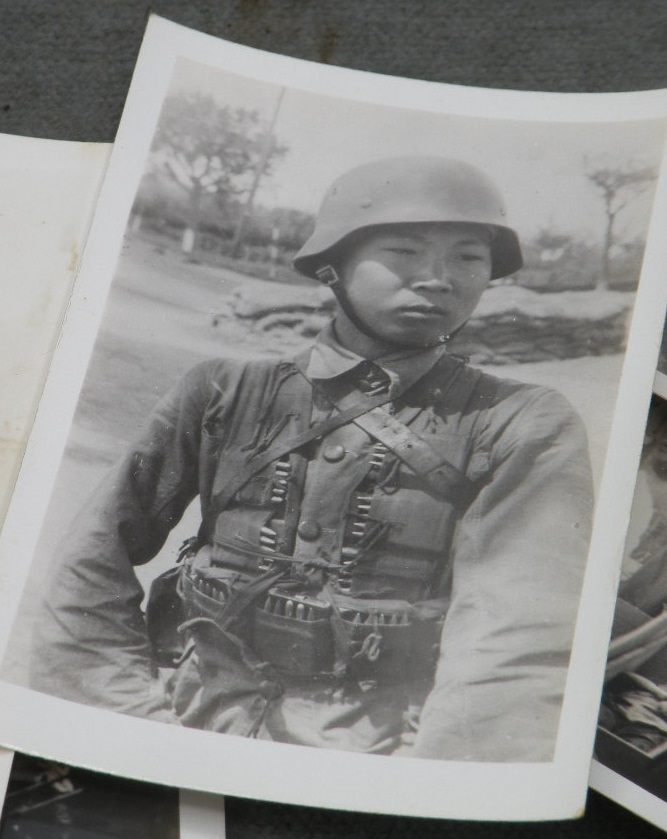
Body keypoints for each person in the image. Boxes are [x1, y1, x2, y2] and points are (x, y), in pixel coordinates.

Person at [31, 156, 593, 762]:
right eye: (404, 250)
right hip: (185, 709)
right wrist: (130, 719)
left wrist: (424, 781)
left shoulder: (520, 421)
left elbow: (515, 638)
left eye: (468, 257)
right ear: (333, 265)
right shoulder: (222, 392)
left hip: (381, 749)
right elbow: (90, 560)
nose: (438, 278)